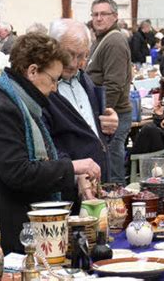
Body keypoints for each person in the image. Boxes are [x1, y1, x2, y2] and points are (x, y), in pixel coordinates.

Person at [0, 33, 101, 253]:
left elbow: (47, 153)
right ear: (32, 71)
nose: (55, 88)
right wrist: (73, 167)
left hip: (11, 219)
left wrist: (75, 175)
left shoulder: (23, 103)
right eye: (53, 79)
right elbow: (18, 171)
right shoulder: (2, 109)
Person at [45, 18, 119, 212]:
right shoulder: (45, 88)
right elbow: (46, 142)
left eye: (82, 56)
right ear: (53, 47)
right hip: (67, 191)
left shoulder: (85, 80)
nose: (74, 62)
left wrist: (109, 127)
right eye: (68, 54)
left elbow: (91, 129)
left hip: (96, 185)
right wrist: (74, 171)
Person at [86, 0, 132, 185]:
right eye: (95, 14)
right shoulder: (102, 39)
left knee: (112, 166)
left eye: (104, 14)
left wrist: (104, 113)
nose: (98, 18)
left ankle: (116, 205)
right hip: (109, 112)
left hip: (114, 113)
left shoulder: (114, 41)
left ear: (115, 16)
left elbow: (114, 84)